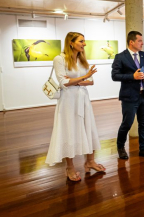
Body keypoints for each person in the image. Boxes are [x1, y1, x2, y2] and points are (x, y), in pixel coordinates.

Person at [45, 32, 106, 181]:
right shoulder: (59, 59)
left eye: (84, 41)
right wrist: (82, 78)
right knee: (69, 130)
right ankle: (69, 168)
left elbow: (91, 81)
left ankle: (90, 161)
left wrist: (75, 80)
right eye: (81, 41)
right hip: (68, 101)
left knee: (88, 127)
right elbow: (63, 82)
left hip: (83, 99)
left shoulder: (81, 59)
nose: (84, 44)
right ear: (71, 43)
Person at [112, 31, 144, 160]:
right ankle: (120, 147)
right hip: (129, 97)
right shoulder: (120, 57)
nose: (142, 43)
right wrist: (133, 76)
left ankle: (143, 148)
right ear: (131, 42)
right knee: (127, 123)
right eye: (139, 41)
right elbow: (115, 76)